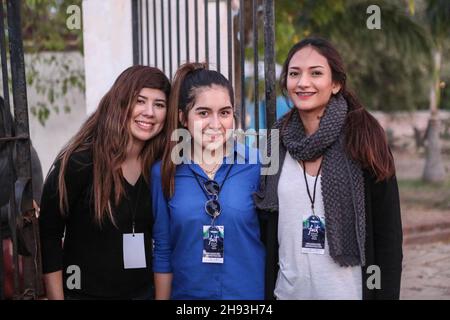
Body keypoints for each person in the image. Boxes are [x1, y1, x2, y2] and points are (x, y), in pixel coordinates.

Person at [254, 37, 403, 300]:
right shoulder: (276, 141)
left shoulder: (364, 139)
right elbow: (267, 225)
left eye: (316, 73)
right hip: (287, 293)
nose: (303, 82)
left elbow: (388, 236)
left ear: (335, 84)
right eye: (294, 73)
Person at [38, 65, 171, 299]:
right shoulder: (80, 162)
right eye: (140, 101)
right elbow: (49, 235)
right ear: (120, 102)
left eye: (159, 105)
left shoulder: (159, 167)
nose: (149, 112)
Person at [152, 62, 265, 300]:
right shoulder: (164, 171)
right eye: (203, 113)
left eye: (224, 113)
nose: (215, 124)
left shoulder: (257, 164)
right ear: (183, 117)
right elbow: (163, 249)